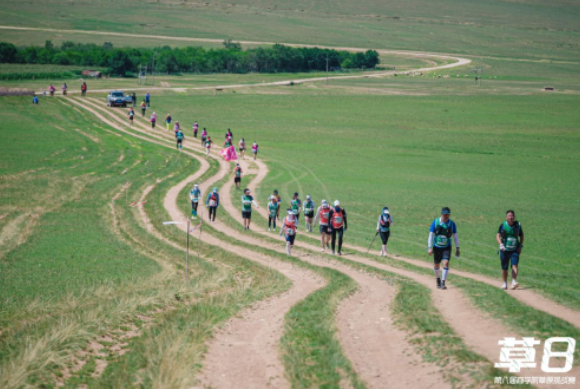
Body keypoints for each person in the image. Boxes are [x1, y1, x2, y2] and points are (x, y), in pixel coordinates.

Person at [428, 207, 460, 290]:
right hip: (437, 247)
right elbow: (431, 235)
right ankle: (437, 279)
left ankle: (443, 282)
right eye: (445, 214)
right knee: (437, 264)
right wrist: (429, 247)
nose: (446, 216)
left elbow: (455, 237)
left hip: (447, 247)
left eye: (448, 214)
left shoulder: (452, 224)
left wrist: (457, 248)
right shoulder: (436, 222)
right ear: (441, 214)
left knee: (446, 263)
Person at [496, 210, 524, 290]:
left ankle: (514, 281)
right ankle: (504, 283)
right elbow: (497, 236)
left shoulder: (517, 225)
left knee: (514, 265)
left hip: (515, 249)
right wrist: (501, 244)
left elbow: (521, 236)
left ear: (514, 217)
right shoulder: (503, 225)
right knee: (504, 268)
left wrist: (520, 246)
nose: (511, 217)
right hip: (504, 250)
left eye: (512, 216)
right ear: (506, 217)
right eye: (509, 216)